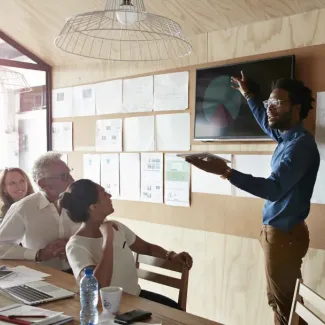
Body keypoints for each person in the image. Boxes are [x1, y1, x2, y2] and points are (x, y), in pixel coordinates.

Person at [186, 73, 319, 325]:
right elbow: (266, 121)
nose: (270, 108)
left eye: (277, 103)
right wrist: (249, 96)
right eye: (269, 103)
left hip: (283, 236)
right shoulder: (288, 138)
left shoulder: (299, 145)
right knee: (284, 304)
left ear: (297, 108)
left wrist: (226, 172)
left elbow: (274, 188)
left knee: (284, 307)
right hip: (282, 235)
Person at [59, 179, 193, 310]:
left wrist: (170, 255)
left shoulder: (117, 226)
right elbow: (98, 285)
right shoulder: (76, 246)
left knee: (178, 314)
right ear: (93, 207)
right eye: (104, 193)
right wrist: (108, 239)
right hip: (106, 308)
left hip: (135, 298)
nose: (110, 196)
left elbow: (147, 248)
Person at [0, 152, 79, 271]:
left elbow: (104, 236)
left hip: (83, 274)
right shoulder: (24, 207)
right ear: (43, 184)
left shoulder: (83, 201)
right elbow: (2, 246)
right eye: (64, 176)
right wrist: (38, 254)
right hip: (43, 278)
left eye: (70, 174)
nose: (72, 180)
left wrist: (76, 244)